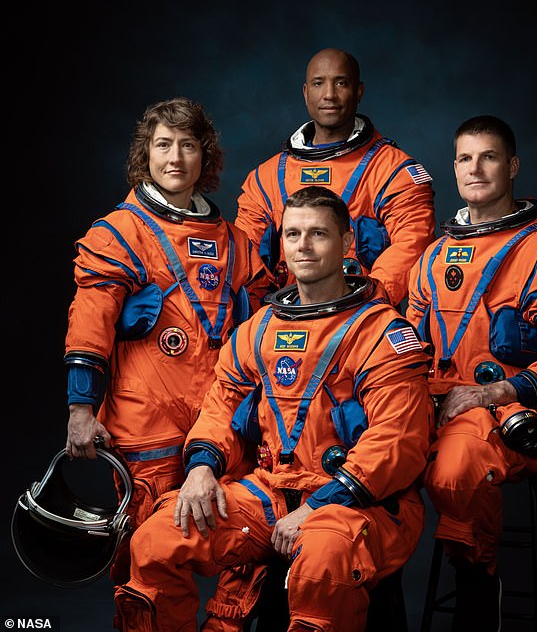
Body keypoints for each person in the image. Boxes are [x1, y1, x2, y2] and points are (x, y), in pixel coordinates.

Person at [114, 185, 434, 631]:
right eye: (293, 234)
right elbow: (221, 403)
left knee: (322, 563)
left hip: (360, 502)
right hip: (270, 491)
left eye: (318, 234)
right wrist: (202, 467)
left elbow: (399, 442)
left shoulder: (381, 333)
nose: (303, 245)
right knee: (155, 539)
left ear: (346, 245)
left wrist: (320, 503)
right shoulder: (259, 329)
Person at [63, 97, 274, 614]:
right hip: (146, 428)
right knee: (146, 557)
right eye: (163, 145)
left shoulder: (237, 243)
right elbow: (89, 323)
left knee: (243, 543)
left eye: (187, 144)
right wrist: (81, 408)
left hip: (223, 423)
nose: (175, 157)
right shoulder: (119, 233)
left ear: (206, 155)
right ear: (146, 155)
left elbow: (269, 329)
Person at [406, 115, 537, 630]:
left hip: (518, 409)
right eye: (465, 158)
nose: (476, 168)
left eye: (488, 157)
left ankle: (477, 580)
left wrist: (498, 389)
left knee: (456, 465)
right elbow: (407, 346)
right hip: (440, 404)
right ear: (453, 169)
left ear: (512, 165)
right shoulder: (432, 258)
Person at [234, 47, 436, 308]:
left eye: (341, 83)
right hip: (284, 321)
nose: (329, 95)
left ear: (359, 91)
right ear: (306, 93)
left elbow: (412, 244)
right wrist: (265, 317)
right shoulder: (267, 178)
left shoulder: (392, 170)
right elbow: (244, 257)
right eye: (319, 83)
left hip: (360, 322)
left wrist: (363, 306)